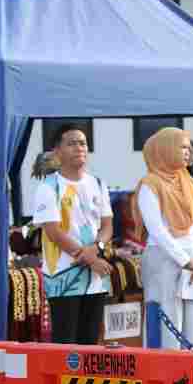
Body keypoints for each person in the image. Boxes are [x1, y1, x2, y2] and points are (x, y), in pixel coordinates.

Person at [32, 124, 114, 344]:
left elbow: (107, 226)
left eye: (83, 143)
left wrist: (97, 249)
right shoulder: (48, 187)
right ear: (57, 151)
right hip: (63, 277)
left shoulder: (98, 183)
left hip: (95, 278)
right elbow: (53, 231)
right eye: (72, 143)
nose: (79, 148)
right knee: (66, 344)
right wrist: (90, 258)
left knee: (91, 343)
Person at [133, 128, 193, 350]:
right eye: (182, 147)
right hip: (164, 260)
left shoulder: (189, 182)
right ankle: (165, 379)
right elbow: (157, 230)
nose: (187, 152)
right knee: (168, 320)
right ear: (165, 149)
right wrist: (187, 261)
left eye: (188, 147)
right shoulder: (150, 184)